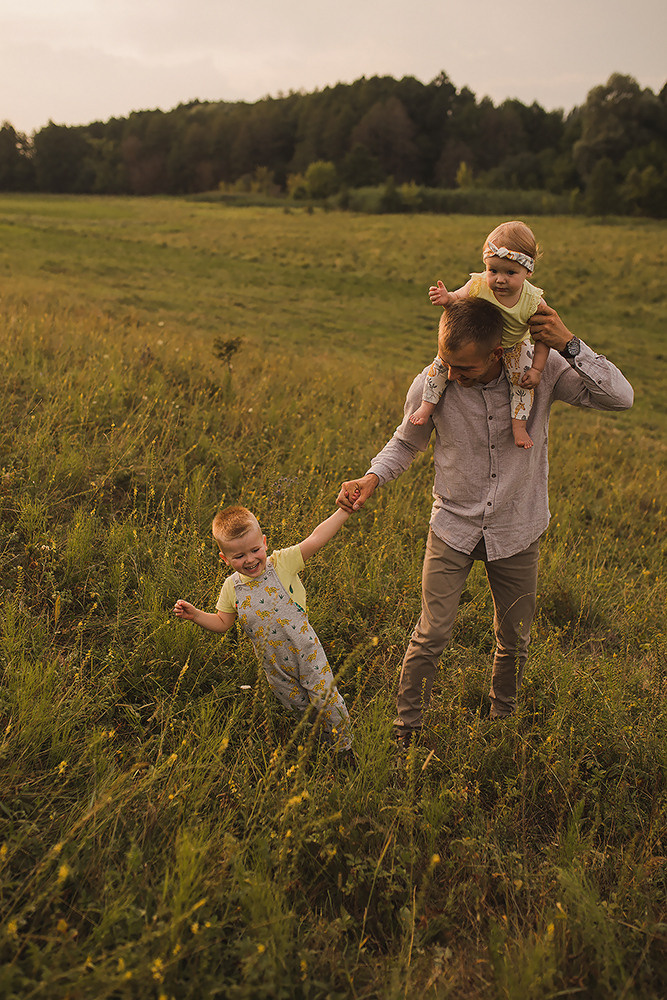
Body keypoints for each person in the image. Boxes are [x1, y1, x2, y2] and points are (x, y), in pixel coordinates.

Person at [337, 297, 633, 746]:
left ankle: (502, 720)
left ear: (496, 353)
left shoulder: (542, 372)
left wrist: (570, 344)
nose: (452, 376)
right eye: (447, 364)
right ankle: (406, 729)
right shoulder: (435, 379)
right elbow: (406, 442)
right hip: (452, 525)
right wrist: (372, 476)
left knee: (514, 637)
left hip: (517, 526)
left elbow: (621, 398)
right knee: (431, 633)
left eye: (466, 369)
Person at [174, 504, 354, 754]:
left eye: (255, 550)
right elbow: (222, 623)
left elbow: (316, 539)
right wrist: (196, 615)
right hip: (275, 667)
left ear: (265, 543)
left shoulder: (282, 564)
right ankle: (319, 747)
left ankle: (344, 749)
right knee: (302, 709)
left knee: (325, 699)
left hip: (306, 652)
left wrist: (344, 511)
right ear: (224, 559)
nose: (249, 560)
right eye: (238, 556)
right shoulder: (232, 587)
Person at [410, 220, 549, 449]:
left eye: (510, 272)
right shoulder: (478, 285)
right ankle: (427, 405)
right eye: (492, 270)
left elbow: (543, 337)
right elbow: (457, 297)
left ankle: (518, 427)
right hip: (476, 343)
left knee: (521, 382)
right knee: (441, 365)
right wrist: (447, 298)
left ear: (529, 271)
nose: (500, 279)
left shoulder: (533, 301)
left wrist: (536, 369)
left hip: (513, 345)